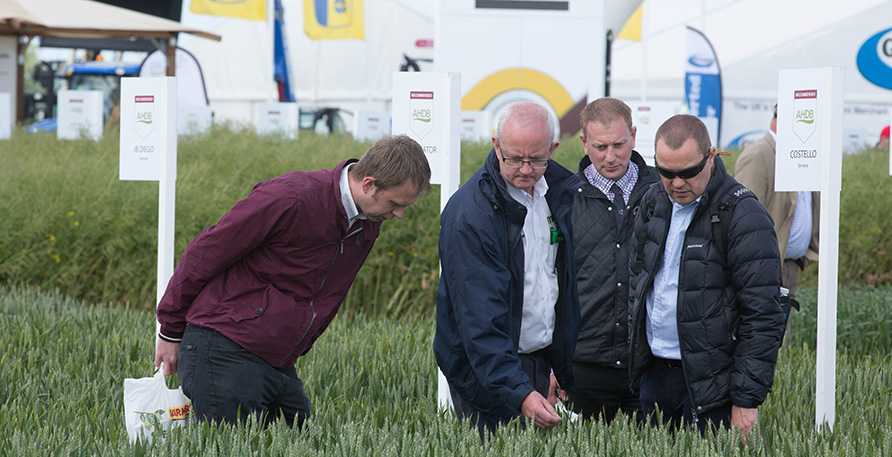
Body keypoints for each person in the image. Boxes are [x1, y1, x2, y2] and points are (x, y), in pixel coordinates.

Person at [155, 135, 431, 426]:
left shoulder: (366, 223)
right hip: (223, 347)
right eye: (396, 204)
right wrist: (170, 331)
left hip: (277, 360)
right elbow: (206, 251)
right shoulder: (291, 197)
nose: (399, 214)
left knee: (299, 455)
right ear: (369, 184)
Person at [629, 114, 783, 438]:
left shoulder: (743, 215)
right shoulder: (652, 202)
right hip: (655, 375)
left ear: (711, 156)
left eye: (688, 172)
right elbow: (637, 284)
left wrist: (746, 399)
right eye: (667, 173)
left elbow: (762, 315)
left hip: (713, 387)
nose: (678, 183)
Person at [433, 102, 580, 438]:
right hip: (483, 370)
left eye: (537, 159)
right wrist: (519, 392)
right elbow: (480, 321)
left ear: (553, 150)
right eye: (514, 158)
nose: (526, 169)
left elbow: (561, 289)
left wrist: (562, 368)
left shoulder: (560, 195)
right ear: (496, 144)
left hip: (538, 361)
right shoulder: (470, 215)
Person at [567, 98, 659, 423]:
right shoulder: (564, 198)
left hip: (650, 363)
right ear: (583, 142)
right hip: (585, 364)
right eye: (600, 146)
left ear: (633, 136)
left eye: (619, 145)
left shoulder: (662, 193)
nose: (610, 156)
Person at [733, 105, 819, 348]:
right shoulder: (758, 155)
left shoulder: (799, 154)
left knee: (780, 344)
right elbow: (742, 220)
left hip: (787, 265)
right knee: (765, 347)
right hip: (764, 268)